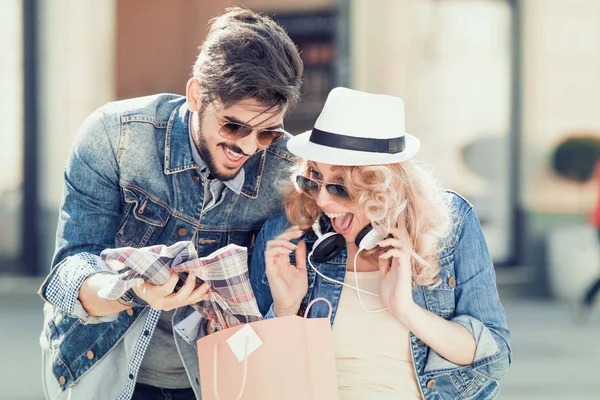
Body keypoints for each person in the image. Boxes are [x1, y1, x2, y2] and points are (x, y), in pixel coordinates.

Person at [38, 7, 303, 400]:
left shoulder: (286, 171)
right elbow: (68, 272)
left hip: (215, 379)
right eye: (234, 126)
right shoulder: (116, 136)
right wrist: (132, 290)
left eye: (267, 133)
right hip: (101, 362)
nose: (248, 146)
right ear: (197, 95)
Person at [250, 87, 512, 399]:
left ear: (383, 188)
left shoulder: (451, 225)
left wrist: (404, 309)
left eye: (340, 187)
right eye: (314, 178)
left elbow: (493, 359)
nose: (321, 199)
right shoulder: (285, 237)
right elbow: (252, 374)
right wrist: (285, 308)